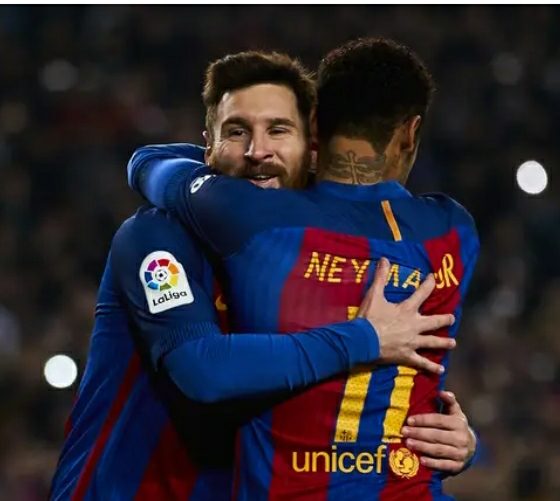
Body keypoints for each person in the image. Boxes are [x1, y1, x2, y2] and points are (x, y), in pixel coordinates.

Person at [50, 51, 459, 501]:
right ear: (208, 147)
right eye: (236, 131)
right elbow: (202, 371)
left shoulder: (335, 256)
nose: (257, 151)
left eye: (278, 130)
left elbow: (340, 392)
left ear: (313, 147)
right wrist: (363, 339)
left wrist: (445, 438)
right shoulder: (157, 237)